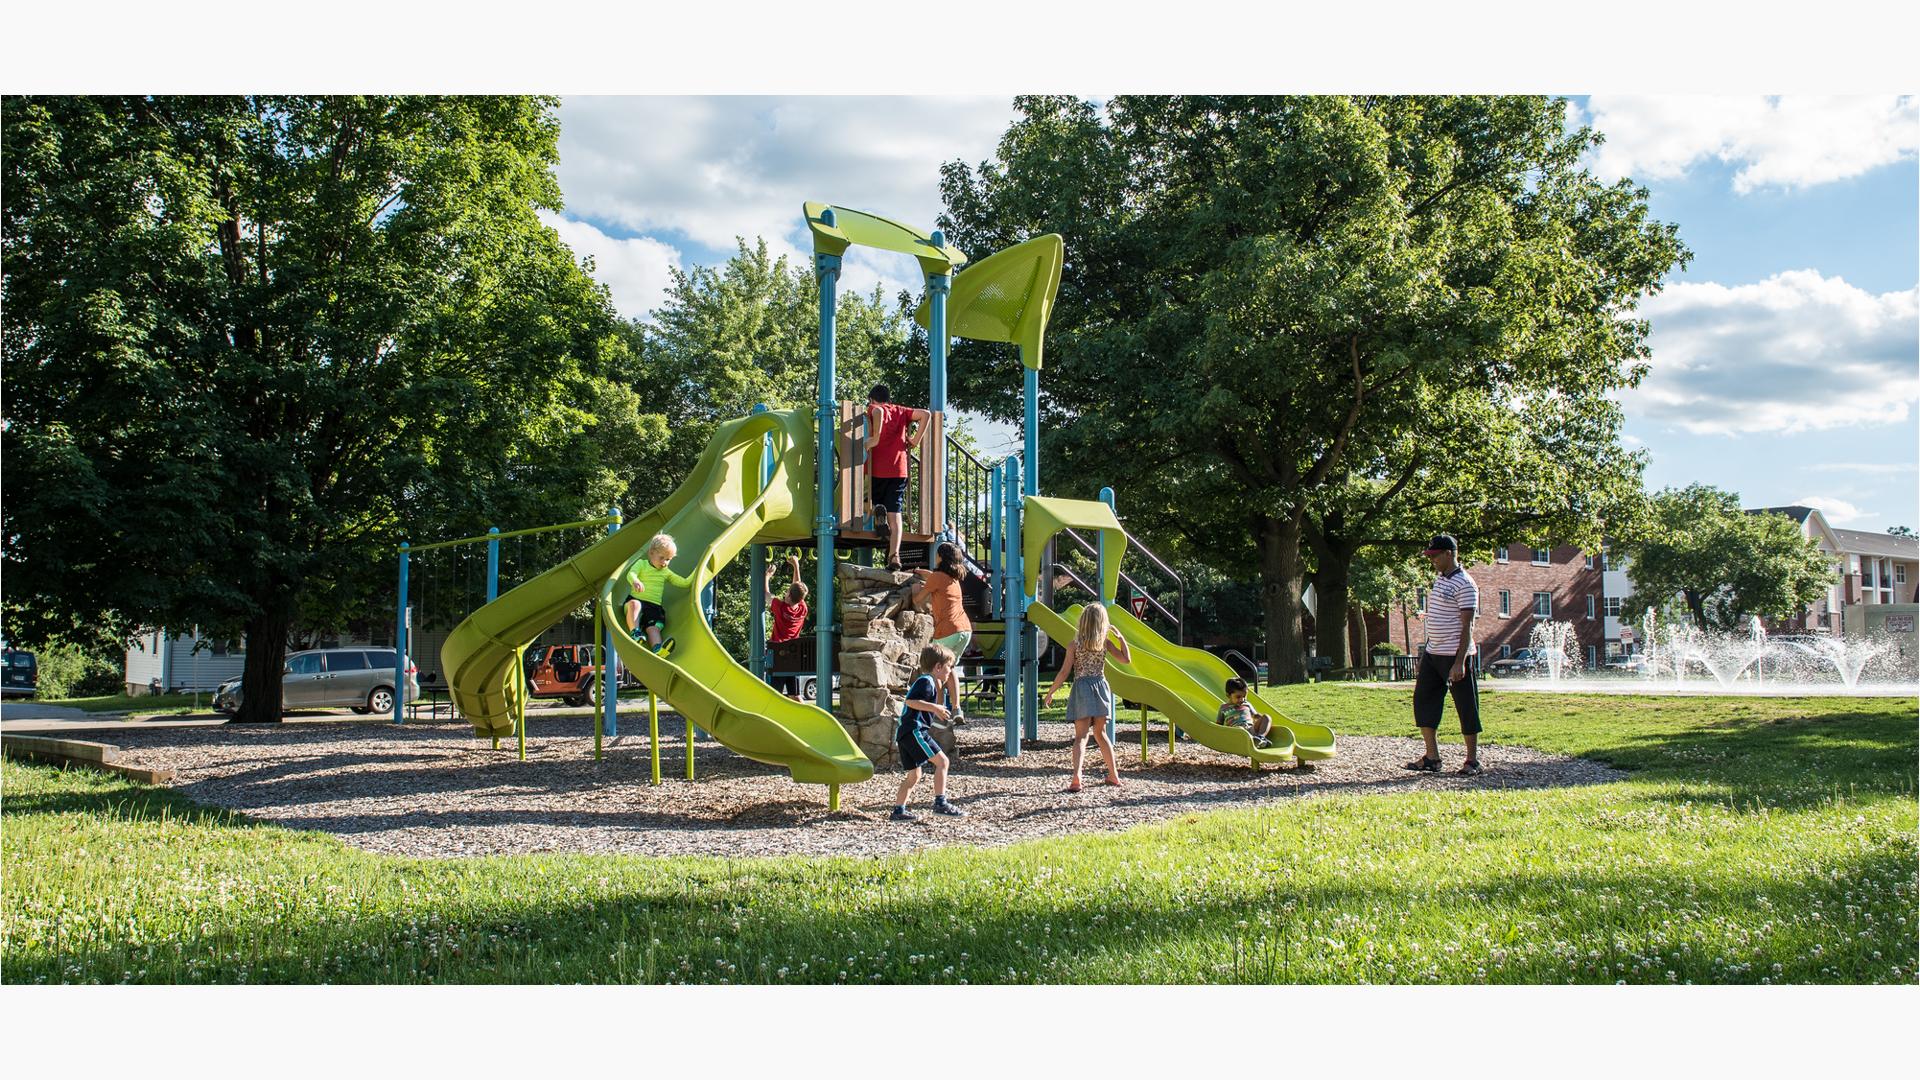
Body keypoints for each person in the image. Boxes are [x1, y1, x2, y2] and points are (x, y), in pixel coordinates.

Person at [1404, 532, 1484, 776]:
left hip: (1455, 655)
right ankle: (1432, 756)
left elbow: (1467, 625)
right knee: (1423, 701)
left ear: (1449, 554)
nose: (1432, 561)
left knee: (1466, 706)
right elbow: (1439, 617)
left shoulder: (1466, 584)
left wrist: (1459, 662)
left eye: (1435, 556)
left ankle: (1472, 761)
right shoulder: (1440, 579)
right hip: (1433, 653)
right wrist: (1426, 652)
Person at [1042, 602, 1131, 792]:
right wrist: (1121, 638)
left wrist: (1051, 691)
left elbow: (1064, 671)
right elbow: (1126, 659)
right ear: (1102, 623)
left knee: (1080, 737)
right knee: (1101, 734)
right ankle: (1113, 775)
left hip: (1082, 688)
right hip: (1100, 687)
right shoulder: (1105, 643)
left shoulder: (1074, 645)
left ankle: (1077, 777)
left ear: (1083, 622)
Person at [891, 643, 966, 820]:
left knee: (914, 775)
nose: (950, 671)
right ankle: (940, 803)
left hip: (905, 734)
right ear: (938, 667)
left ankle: (898, 810)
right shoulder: (927, 681)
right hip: (914, 732)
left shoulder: (931, 682)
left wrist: (936, 711)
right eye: (949, 666)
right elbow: (910, 701)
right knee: (943, 762)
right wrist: (935, 708)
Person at [865, 383, 932, 572]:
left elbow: (877, 411)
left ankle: (879, 514)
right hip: (899, 469)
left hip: (876, 468)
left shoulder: (874, 408)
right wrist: (915, 440)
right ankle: (894, 555)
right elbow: (926, 414)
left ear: (872, 399)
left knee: (866, 501)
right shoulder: (901, 411)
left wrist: (874, 438)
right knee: (896, 516)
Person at [911, 542, 973, 723]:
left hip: (946, 631)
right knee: (949, 668)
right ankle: (956, 709)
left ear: (940, 557)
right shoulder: (952, 579)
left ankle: (937, 710)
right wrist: (924, 574)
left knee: (936, 670)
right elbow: (937, 579)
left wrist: (915, 590)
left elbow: (918, 599)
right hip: (964, 631)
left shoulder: (937, 577)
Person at [626, 534, 692, 655]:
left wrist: (698, 572)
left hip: (653, 607)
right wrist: (636, 581)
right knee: (635, 604)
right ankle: (635, 633)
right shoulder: (642, 564)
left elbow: (684, 583)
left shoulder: (666, 573)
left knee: (653, 628)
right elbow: (631, 574)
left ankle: (657, 648)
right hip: (636, 600)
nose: (664, 562)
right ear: (651, 553)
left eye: (668, 559)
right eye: (662, 558)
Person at [765, 554, 809, 700]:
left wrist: (767, 576)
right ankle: (804, 716)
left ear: (789, 596)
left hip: (779, 656)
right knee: (795, 695)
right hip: (794, 655)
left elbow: (766, 595)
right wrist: (795, 564)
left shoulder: (781, 607)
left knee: (774, 695)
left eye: (787, 591)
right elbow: (798, 587)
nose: (786, 591)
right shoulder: (802, 608)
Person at [1216, 677, 1275, 749]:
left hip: (1251, 729)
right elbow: (1219, 724)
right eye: (1238, 697)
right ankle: (1253, 741)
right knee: (1240, 728)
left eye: (1244, 696)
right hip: (1237, 733)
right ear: (1228, 695)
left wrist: (1262, 719)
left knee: (1266, 717)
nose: (1242, 699)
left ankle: (1260, 738)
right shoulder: (1223, 708)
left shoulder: (1247, 704)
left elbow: (1255, 715)